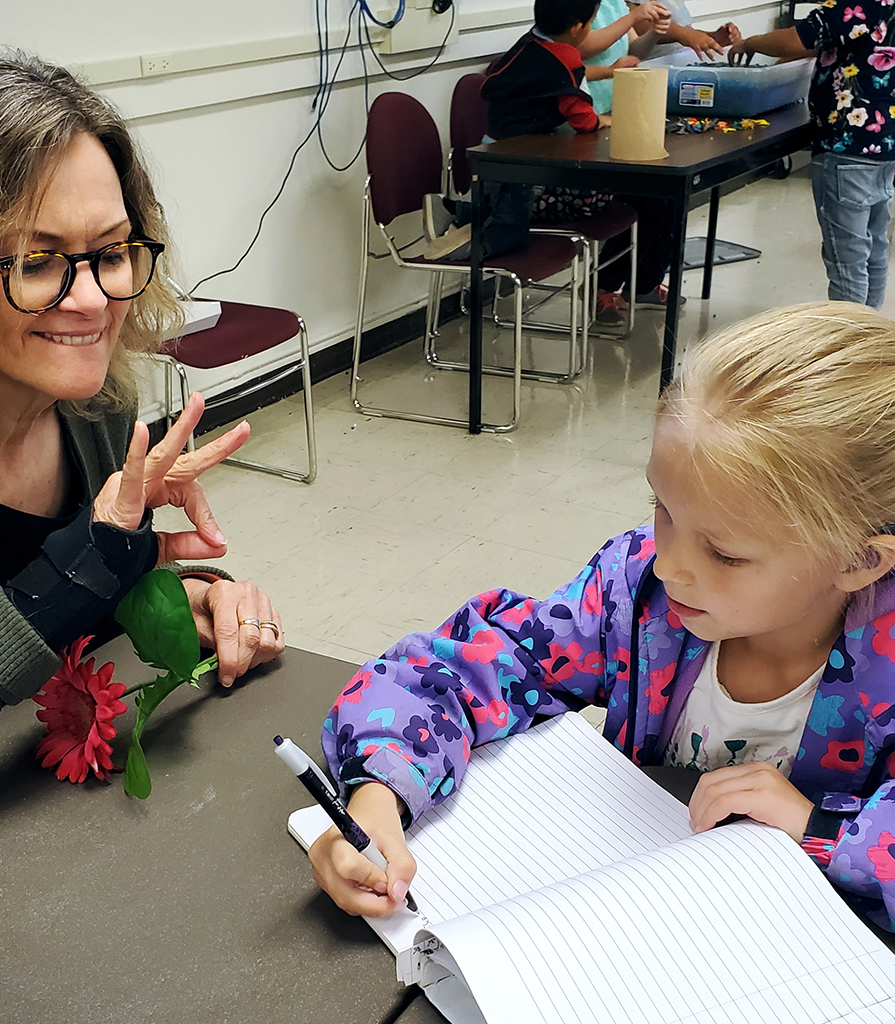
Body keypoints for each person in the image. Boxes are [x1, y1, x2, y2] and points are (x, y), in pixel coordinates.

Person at [310, 302, 895, 934]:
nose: (669, 564)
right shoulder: (640, 590)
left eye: (724, 552)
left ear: (860, 559)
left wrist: (820, 830)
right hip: (628, 923)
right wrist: (379, 794)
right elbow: (455, 668)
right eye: (661, 506)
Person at [0, 47, 284, 832]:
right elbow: (40, 608)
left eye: (112, 252)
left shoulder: (90, 409)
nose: (93, 300)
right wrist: (58, 587)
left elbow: (76, 629)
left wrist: (167, 598)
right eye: (38, 261)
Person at [580, 2, 742, 325]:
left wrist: (652, 32)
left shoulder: (613, 3)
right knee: (632, 198)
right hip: (588, 120)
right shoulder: (580, 9)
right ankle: (605, 285)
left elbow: (631, 48)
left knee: (665, 194)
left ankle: (647, 281)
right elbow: (582, 47)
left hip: (621, 110)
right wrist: (633, 18)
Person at [730, 6, 895, 308]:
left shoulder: (855, 5)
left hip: (848, 146)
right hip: (883, 144)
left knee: (848, 258)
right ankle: (871, 337)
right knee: (873, 246)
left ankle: (848, 345)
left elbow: (798, 39)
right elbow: (838, 46)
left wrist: (750, 43)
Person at [423, 0, 611, 261]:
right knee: (510, 230)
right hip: (518, 162)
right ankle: (462, 249)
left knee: (497, 211)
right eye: (591, 23)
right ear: (577, 28)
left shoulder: (530, 42)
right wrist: (600, 121)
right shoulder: (565, 58)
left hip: (492, 149)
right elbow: (581, 119)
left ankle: (449, 209)